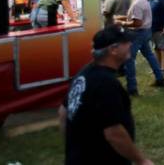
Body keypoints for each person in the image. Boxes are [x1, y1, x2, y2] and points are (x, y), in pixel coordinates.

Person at [59, 25, 153, 165]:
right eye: (126, 42)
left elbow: (63, 112)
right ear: (113, 49)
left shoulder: (84, 73)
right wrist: (141, 160)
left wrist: (75, 144)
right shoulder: (106, 84)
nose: (130, 44)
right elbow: (114, 133)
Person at [116, 0, 164, 95]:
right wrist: (120, 18)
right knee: (149, 54)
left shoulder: (137, 3)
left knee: (129, 60)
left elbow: (137, 23)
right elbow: (134, 17)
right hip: (146, 32)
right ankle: (160, 78)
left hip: (137, 33)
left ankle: (132, 88)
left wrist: (122, 23)